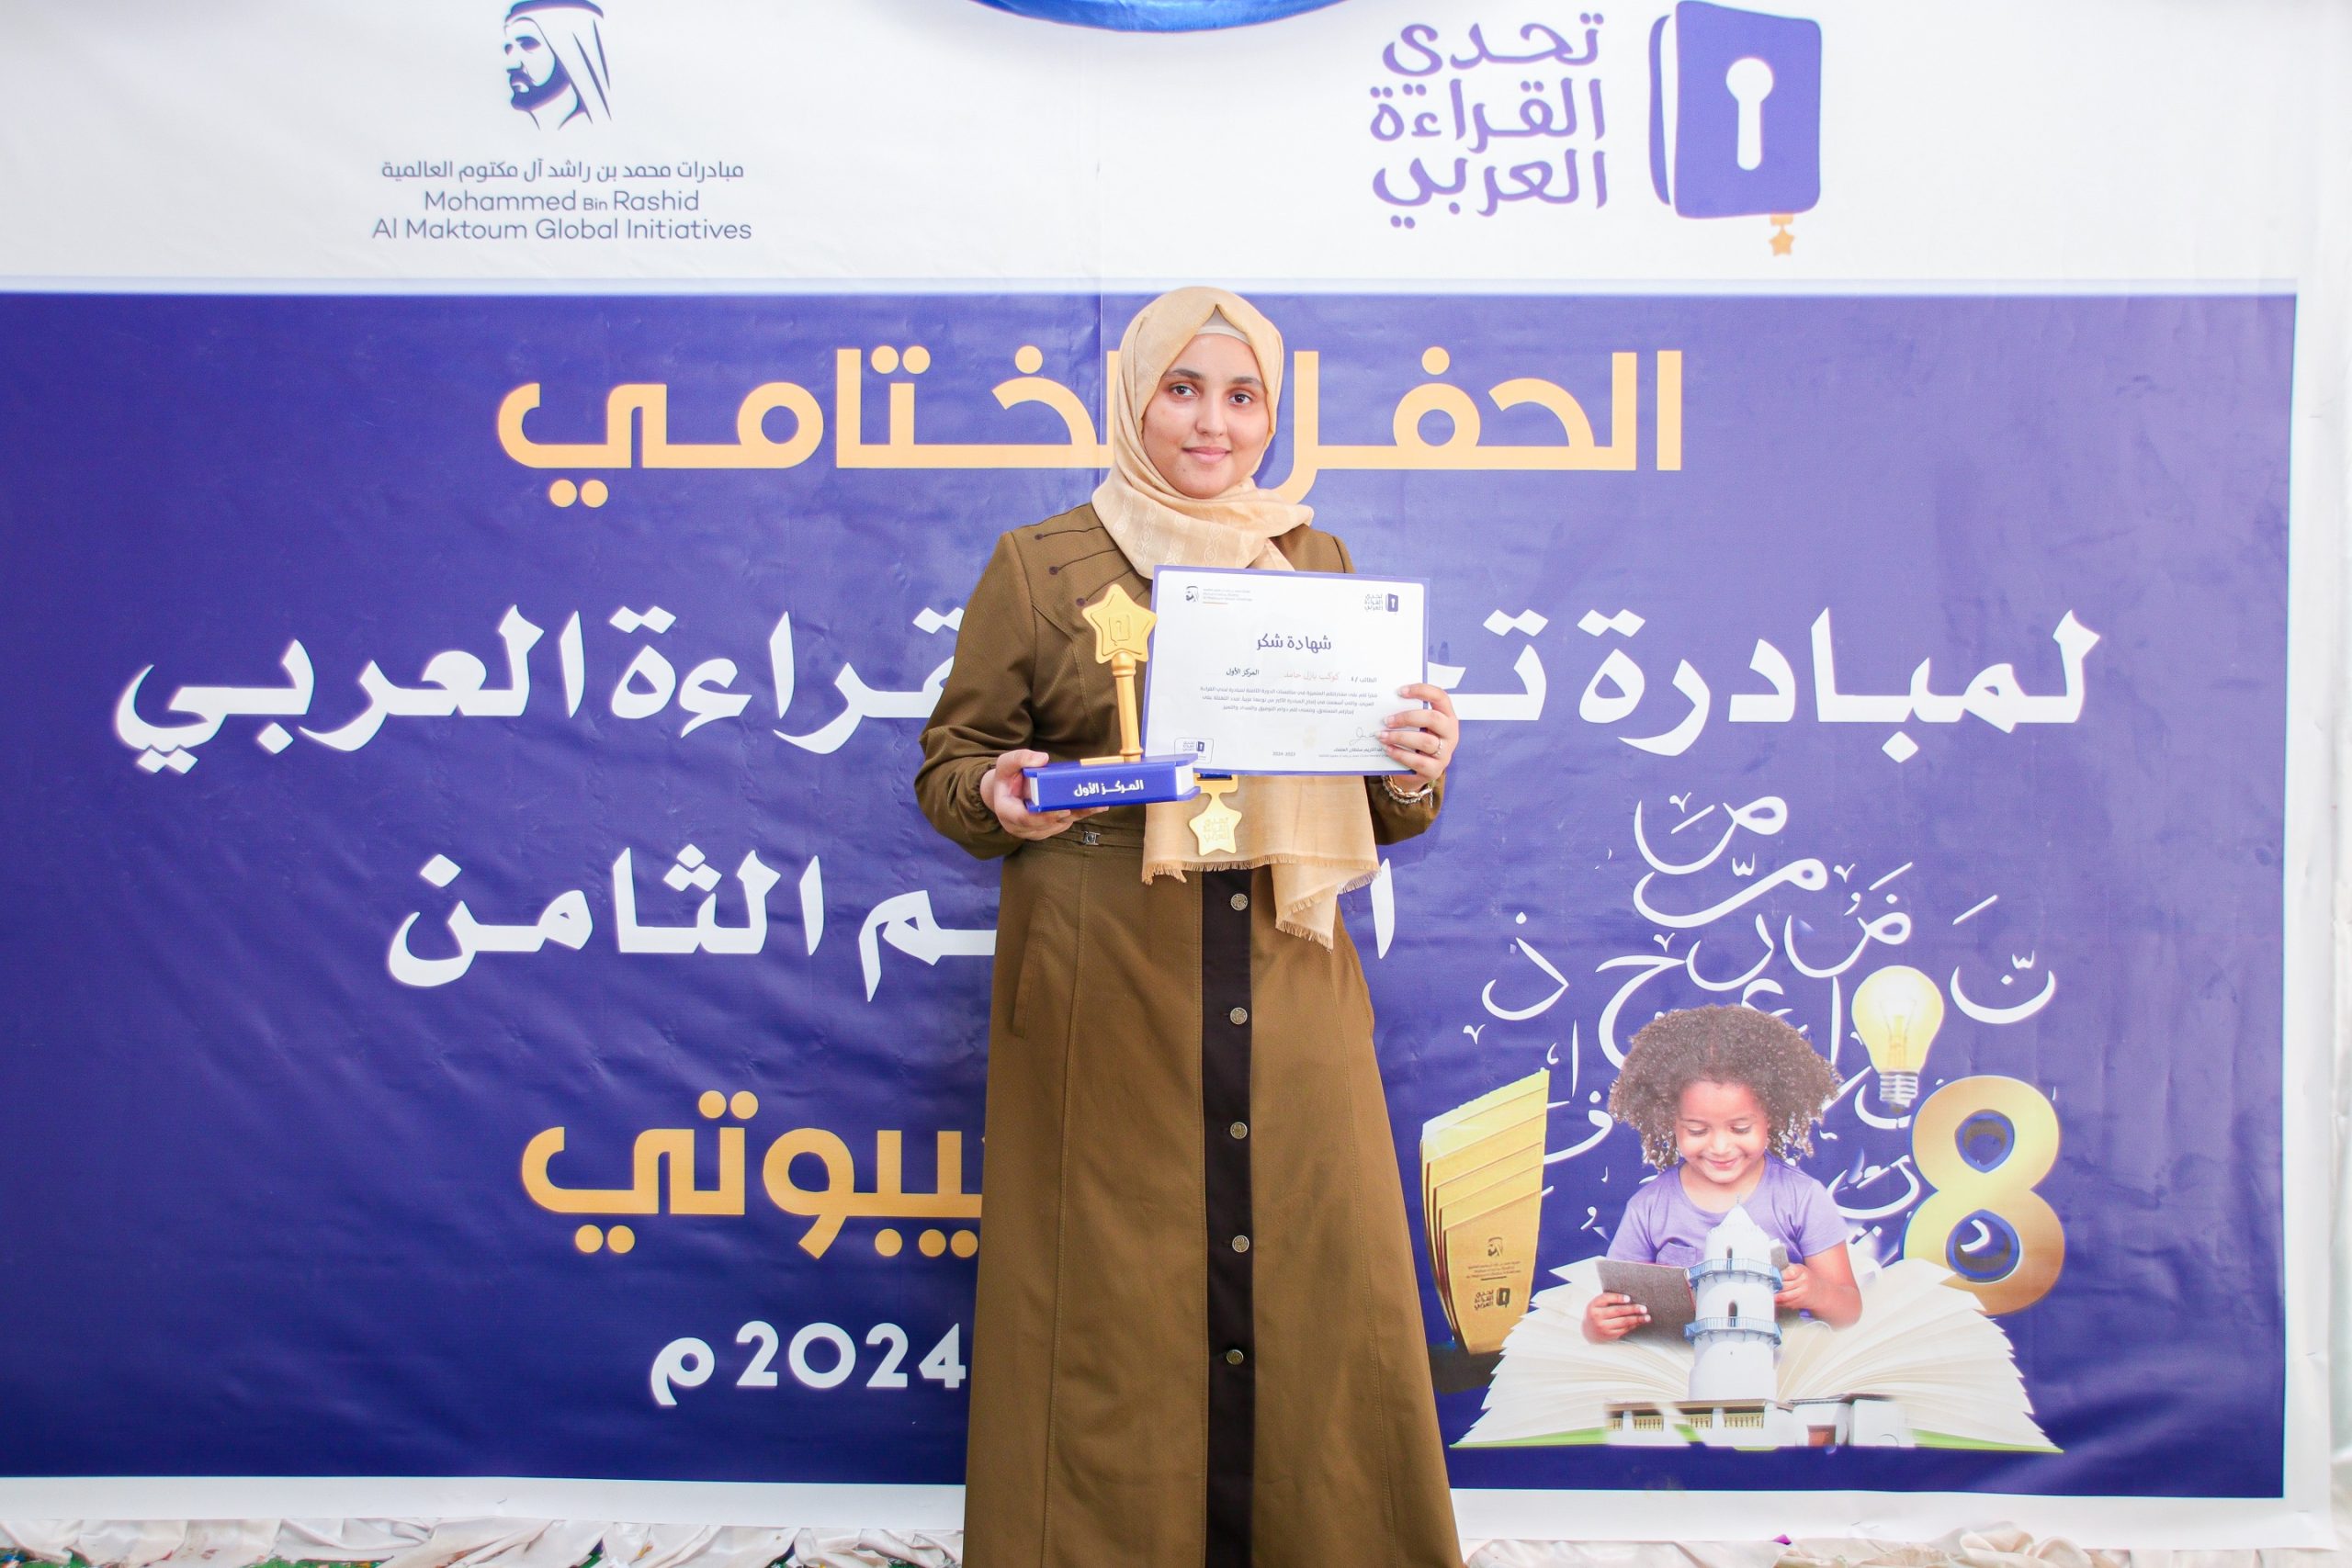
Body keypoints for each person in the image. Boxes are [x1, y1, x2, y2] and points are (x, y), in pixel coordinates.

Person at [915, 287, 1464, 1567]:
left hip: (1289, 970)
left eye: (1242, 395)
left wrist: (1418, 766)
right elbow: (951, 765)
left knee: (1319, 1281)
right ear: (1133, 398)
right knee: (1113, 1301)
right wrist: (1002, 794)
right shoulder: (1041, 565)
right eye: (1181, 388)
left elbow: (1379, 800)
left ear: (1271, 415)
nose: (1212, 422)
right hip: (1107, 984)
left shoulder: (1316, 562)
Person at [1583, 1005, 1863, 1341]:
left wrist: (1818, 1293)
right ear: (1670, 1120)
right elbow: (1615, 1305)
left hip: (1782, 1361)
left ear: (1771, 1117)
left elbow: (1849, 1312)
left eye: (1740, 1128)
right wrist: (1598, 1325)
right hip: (1680, 1363)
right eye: (1698, 1131)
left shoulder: (1802, 1198)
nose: (1720, 1147)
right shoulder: (1649, 1207)